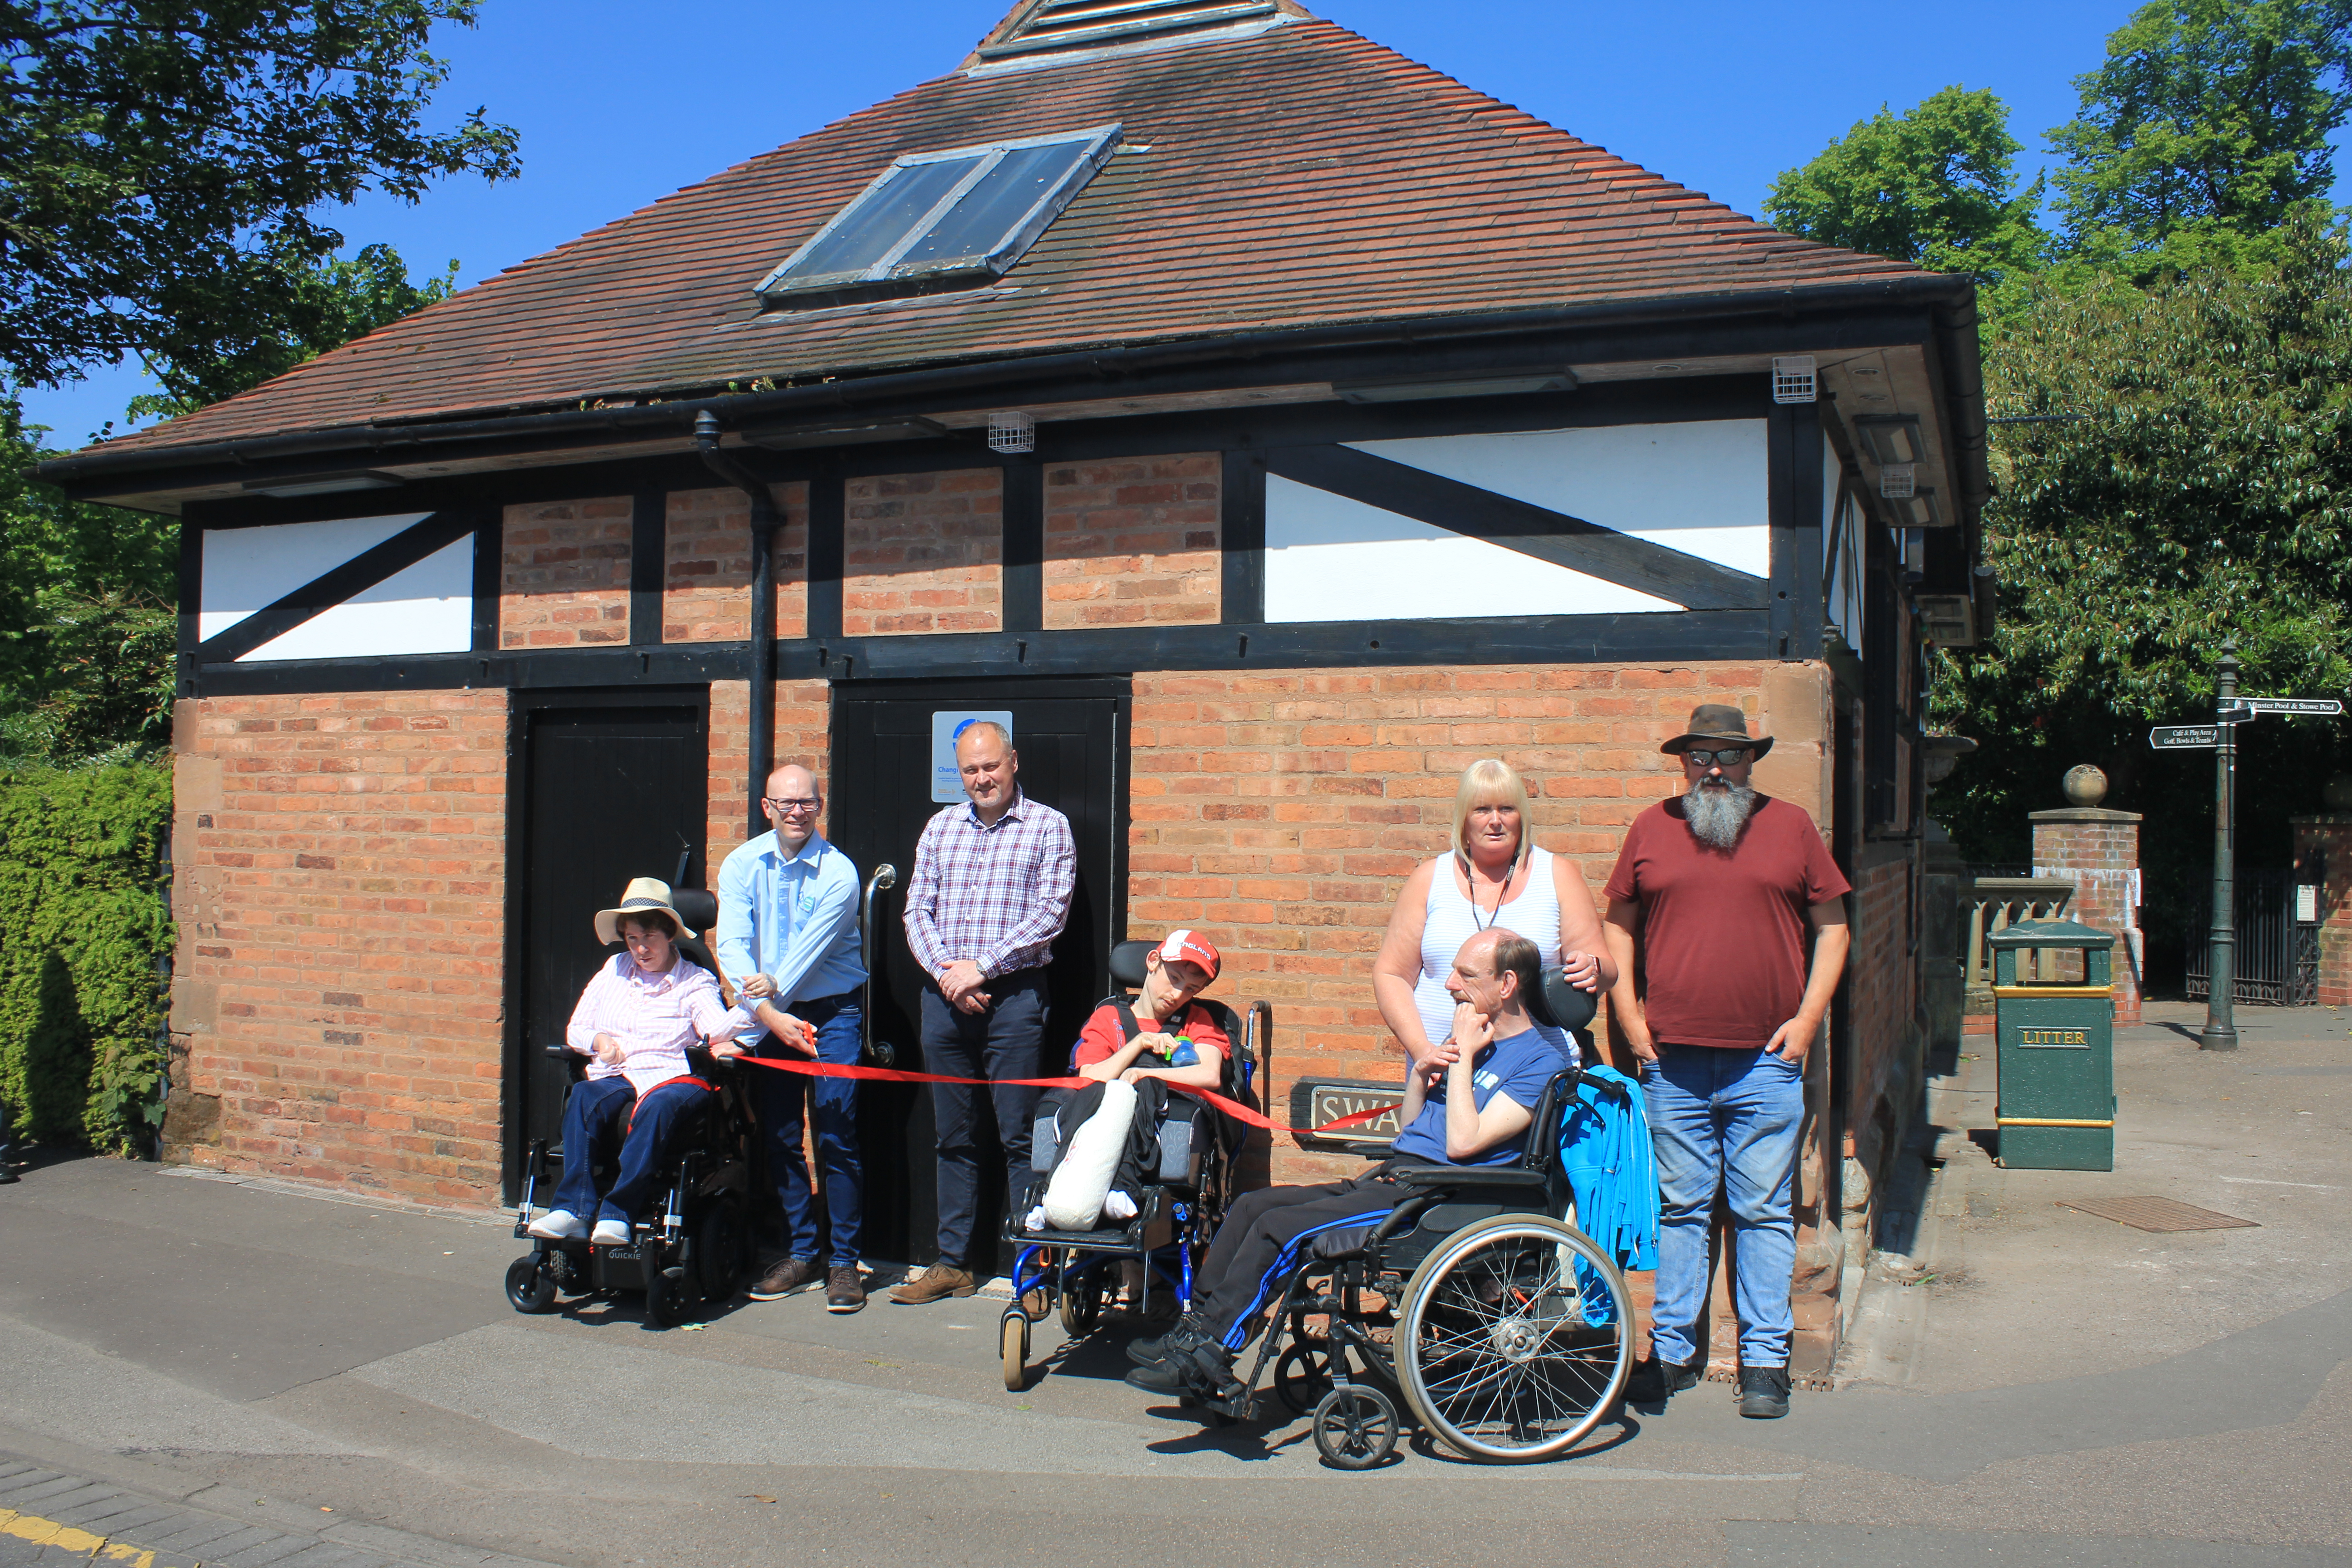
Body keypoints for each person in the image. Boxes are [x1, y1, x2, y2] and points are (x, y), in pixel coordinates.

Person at [1125, 929, 1570, 1397]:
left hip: (1437, 1196)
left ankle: (1210, 1352)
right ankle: (1192, 1331)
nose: (1451, 985)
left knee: (1281, 1228)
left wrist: (1461, 1063)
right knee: (1252, 1207)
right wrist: (1421, 1075)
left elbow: (1462, 1144)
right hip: (1399, 1176)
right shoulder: (1474, 1040)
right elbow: (1415, 1133)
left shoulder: (1538, 1062)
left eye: (1466, 975)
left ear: (1507, 985)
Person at [1600, 703, 1850, 1421]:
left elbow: (1833, 931)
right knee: (1681, 1212)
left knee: (1763, 1213)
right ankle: (1674, 1354)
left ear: (1751, 762)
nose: (1715, 769)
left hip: (1765, 1064)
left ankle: (1765, 1362)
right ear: (1682, 762)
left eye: (1730, 756)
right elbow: (1619, 924)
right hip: (1673, 1062)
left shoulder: (1791, 826)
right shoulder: (1653, 827)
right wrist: (1630, 1016)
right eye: (1701, 756)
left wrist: (1806, 1022)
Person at [892, 719, 1076, 1304]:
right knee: (954, 1135)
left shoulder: (1049, 826)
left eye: (990, 766)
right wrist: (951, 974)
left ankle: (1034, 1269)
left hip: (1017, 997)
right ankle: (953, 1264)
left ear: (1013, 761)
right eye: (970, 770)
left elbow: (1051, 913)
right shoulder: (941, 827)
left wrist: (983, 967)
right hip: (946, 998)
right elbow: (916, 910)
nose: (981, 778)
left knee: (1021, 1136)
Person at [715, 762, 871, 1313]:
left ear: (819, 806)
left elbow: (808, 952)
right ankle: (803, 1253)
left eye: (806, 802)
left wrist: (772, 992)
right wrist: (764, 1010)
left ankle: (845, 1263)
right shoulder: (740, 865)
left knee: (835, 1130)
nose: (797, 812)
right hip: (769, 1016)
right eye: (786, 804)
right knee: (779, 1135)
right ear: (767, 808)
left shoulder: (840, 874)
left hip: (831, 1013)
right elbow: (731, 947)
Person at [528, 879, 742, 1246]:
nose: (640, 949)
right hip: (619, 1072)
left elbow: (717, 1030)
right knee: (584, 1096)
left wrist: (747, 1021)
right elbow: (576, 1029)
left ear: (670, 934)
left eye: (649, 938)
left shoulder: (695, 981)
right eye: (632, 939)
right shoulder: (613, 970)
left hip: (672, 1076)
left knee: (656, 1106)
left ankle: (618, 1214)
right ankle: (574, 1211)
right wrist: (598, 1040)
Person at [1373, 758, 1614, 1073]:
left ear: (1522, 817)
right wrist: (1424, 1052)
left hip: (1532, 1075)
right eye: (1482, 809)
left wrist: (1592, 968)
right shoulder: (1429, 879)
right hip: (1440, 1069)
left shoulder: (1558, 876)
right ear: (1464, 819)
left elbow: (1607, 971)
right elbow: (1391, 975)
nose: (1496, 820)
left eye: (1507, 809)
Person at [1029, 931, 1230, 1243]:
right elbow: (1091, 1075)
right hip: (1098, 1116)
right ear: (1153, 962)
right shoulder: (1109, 1017)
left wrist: (1141, 1073)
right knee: (1097, 1089)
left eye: (1191, 988)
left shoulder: (1198, 1020)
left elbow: (1210, 1074)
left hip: (1154, 1125)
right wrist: (1138, 1045)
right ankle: (1056, 1190)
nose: (1178, 994)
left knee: (1146, 1086)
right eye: (1174, 978)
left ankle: (1121, 1187)